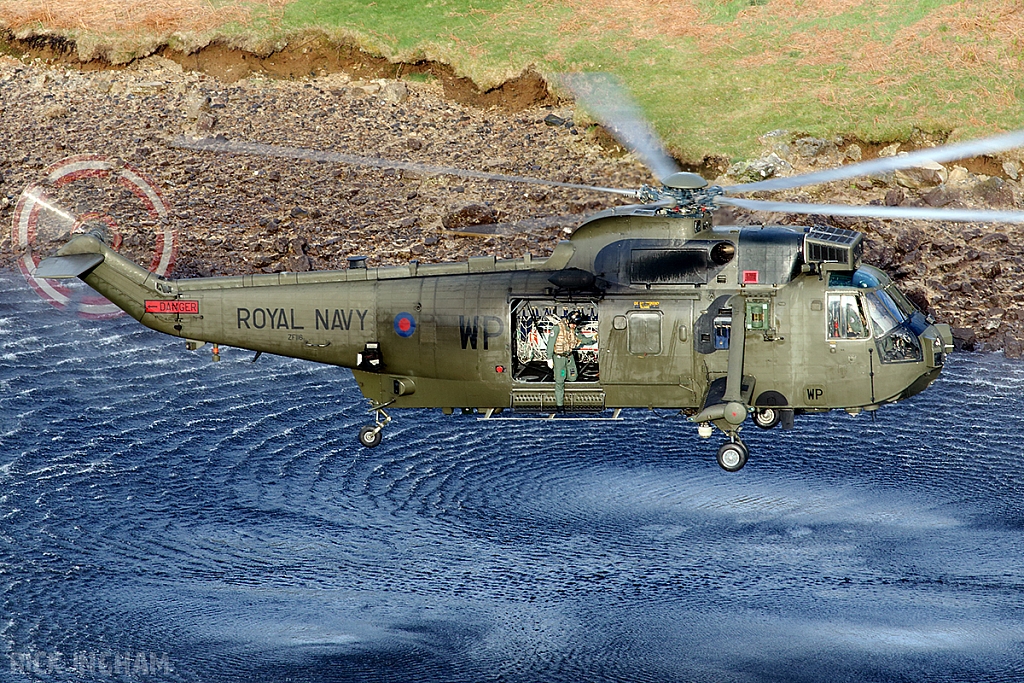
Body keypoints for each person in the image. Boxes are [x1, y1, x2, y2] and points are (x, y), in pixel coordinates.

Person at [546, 311, 597, 411]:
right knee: (560, 381)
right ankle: (559, 405)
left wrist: (593, 338)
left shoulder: (574, 330)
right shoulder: (557, 328)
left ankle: (562, 375)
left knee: (573, 377)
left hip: (569, 357)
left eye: (576, 324)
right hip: (559, 358)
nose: (574, 326)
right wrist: (549, 358)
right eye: (573, 323)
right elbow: (550, 343)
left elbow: (582, 339)